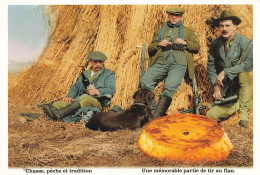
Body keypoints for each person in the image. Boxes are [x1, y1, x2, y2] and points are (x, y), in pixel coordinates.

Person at [140, 7, 199, 119]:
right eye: (171, 15)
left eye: (176, 15)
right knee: (145, 80)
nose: (174, 17)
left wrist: (185, 42)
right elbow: (150, 48)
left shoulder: (188, 31)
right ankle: (154, 112)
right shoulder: (160, 31)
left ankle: (156, 117)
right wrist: (159, 44)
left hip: (179, 62)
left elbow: (196, 47)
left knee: (169, 87)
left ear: (181, 17)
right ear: (168, 16)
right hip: (162, 60)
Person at [206, 10, 253, 128]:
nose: (224, 29)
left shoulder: (245, 43)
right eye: (221, 26)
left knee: (244, 74)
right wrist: (215, 85)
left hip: (240, 87)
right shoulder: (215, 43)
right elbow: (211, 65)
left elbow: (249, 64)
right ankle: (239, 104)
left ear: (235, 27)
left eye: (227, 25)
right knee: (210, 114)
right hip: (226, 91)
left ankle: (244, 116)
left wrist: (225, 72)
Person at [42, 51, 116, 122]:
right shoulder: (85, 74)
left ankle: (59, 114)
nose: (98, 64)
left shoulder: (108, 74)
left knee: (85, 98)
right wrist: (70, 96)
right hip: (80, 100)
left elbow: (111, 89)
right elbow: (76, 86)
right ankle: (48, 113)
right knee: (59, 104)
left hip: (97, 101)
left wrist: (97, 91)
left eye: (101, 62)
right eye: (96, 62)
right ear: (91, 61)